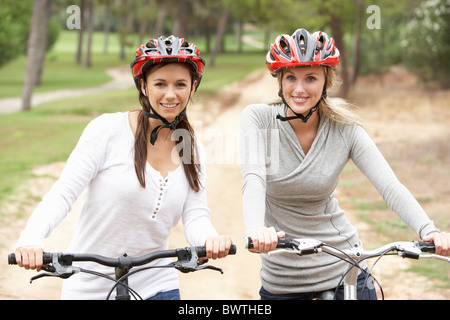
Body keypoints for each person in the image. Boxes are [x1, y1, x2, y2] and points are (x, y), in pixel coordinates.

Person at [14, 35, 233, 300]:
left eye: (180, 84)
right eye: (160, 84)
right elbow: (64, 193)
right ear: (143, 86)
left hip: (158, 283)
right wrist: (31, 238)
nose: (171, 94)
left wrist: (209, 239)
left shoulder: (190, 146)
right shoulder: (107, 131)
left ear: (193, 87)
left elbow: (195, 213)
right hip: (90, 287)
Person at [239, 28, 449, 300]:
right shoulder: (258, 119)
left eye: (311, 78)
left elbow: (389, 187)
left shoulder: (344, 129)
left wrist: (429, 231)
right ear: (280, 81)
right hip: (283, 274)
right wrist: (256, 230)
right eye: (291, 77)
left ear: (326, 82)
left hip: (344, 264)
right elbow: (253, 177)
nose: (299, 89)